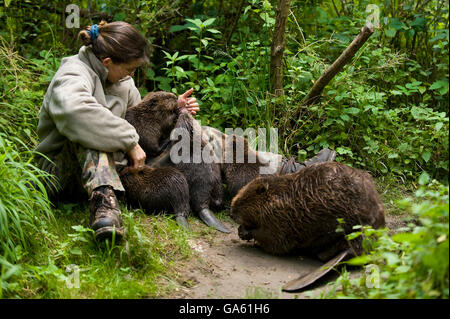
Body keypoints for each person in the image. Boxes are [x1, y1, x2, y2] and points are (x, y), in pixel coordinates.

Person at [35, 21, 198, 241]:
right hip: (59, 174)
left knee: (194, 132)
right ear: (108, 62)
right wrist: (129, 141)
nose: (131, 74)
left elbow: (140, 123)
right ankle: (105, 208)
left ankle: (229, 184)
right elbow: (75, 112)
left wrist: (175, 111)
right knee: (92, 135)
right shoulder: (72, 73)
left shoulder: (123, 82)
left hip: (117, 169)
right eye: (129, 68)